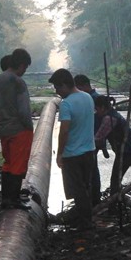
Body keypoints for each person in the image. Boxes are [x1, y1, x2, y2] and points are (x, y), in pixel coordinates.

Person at [49, 68, 96, 229]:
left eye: (57, 87)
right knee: (85, 186)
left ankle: (85, 222)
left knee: (77, 189)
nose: (57, 91)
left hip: (72, 154)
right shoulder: (88, 97)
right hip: (89, 151)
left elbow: (64, 130)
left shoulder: (67, 103)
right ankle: (84, 218)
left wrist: (60, 153)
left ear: (64, 85)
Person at [0, 48, 33, 210]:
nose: (24, 71)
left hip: (4, 129)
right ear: (21, 65)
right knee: (18, 164)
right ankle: (14, 199)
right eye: (25, 68)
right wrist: (29, 127)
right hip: (20, 129)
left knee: (8, 163)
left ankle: (6, 198)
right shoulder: (17, 81)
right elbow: (23, 110)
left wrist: (1, 123)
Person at [74, 74, 106, 206]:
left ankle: (93, 200)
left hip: (92, 139)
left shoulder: (93, 99)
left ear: (83, 86)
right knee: (92, 169)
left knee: (91, 170)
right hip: (92, 139)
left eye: (78, 88)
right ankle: (93, 198)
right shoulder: (93, 97)